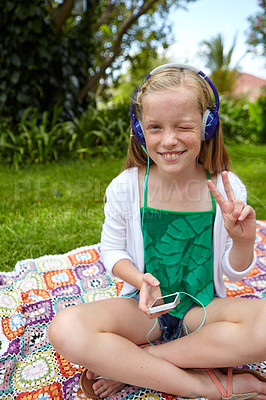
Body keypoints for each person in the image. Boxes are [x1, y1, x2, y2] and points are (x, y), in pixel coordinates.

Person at [49, 64, 266, 400]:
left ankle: (137, 364)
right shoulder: (126, 187)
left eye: (183, 126)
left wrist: (243, 240)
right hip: (143, 312)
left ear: (206, 126)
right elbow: (111, 250)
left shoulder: (227, 188)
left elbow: (232, 268)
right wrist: (139, 280)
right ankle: (205, 386)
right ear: (139, 129)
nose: (169, 140)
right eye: (155, 127)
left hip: (202, 309)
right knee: (65, 328)